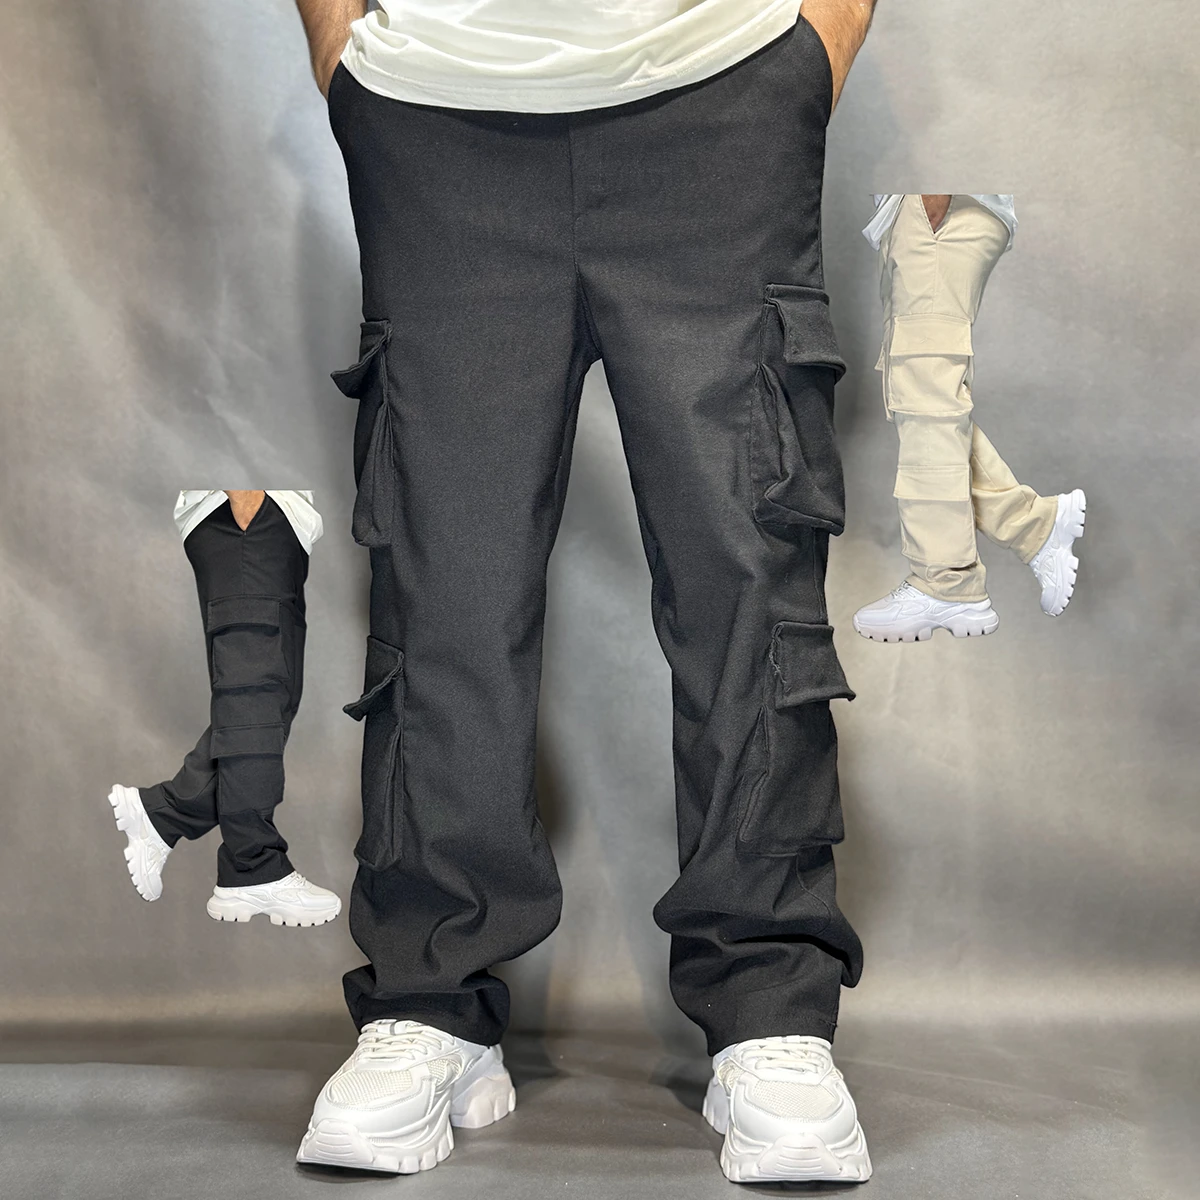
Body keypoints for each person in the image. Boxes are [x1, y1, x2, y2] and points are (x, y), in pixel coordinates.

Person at [293, 0, 876, 1183]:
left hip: (723, 84)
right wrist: (342, 49)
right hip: (435, 105)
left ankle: (769, 1010)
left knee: (745, 570)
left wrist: (814, 41)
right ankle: (430, 1005)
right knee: (445, 582)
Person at [853, 194, 1087, 642]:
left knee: (926, 394)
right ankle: (1035, 526)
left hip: (934, 217)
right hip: (915, 221)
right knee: (925, 402)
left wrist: (931, 200)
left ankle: (947, 584)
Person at [107, 490, 342, 926]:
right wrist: (249, 503)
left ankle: (165, 814)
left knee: (269, 702)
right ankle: (253, 864)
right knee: (255, 696)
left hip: (272, 530)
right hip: (248, 525)